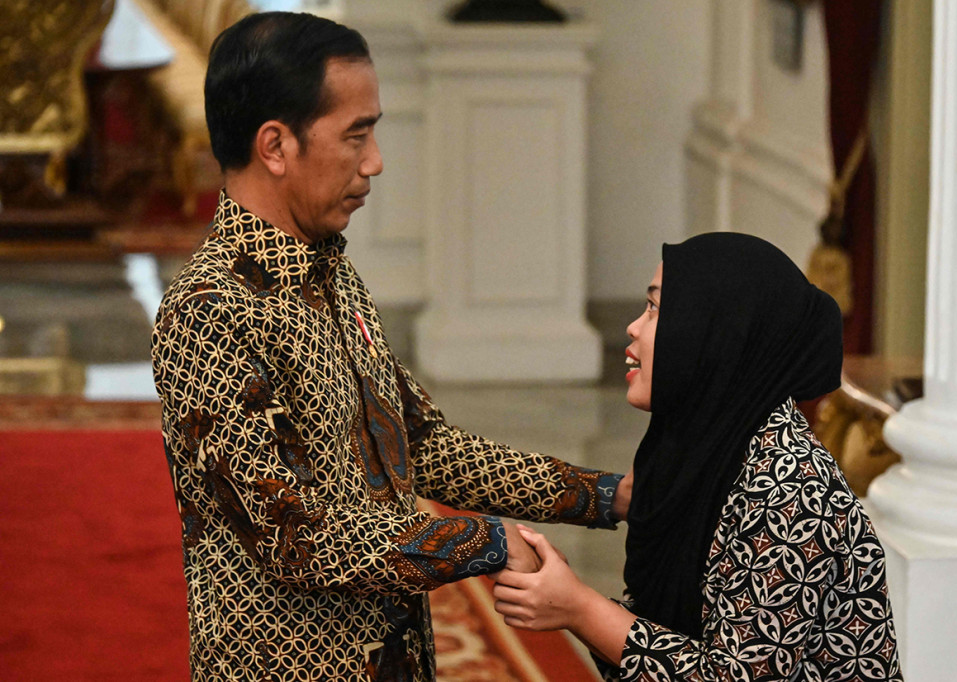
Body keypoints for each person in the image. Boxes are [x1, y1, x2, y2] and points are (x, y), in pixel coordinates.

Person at [151, 12, 628, 681]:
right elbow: (295, 538)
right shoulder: (210, 313)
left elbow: (420, 444)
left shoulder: (331, 272)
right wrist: (485, 542)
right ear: (275, 146)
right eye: (356, 134)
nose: (375, 161)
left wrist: (609, 496)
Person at [493, 233, 903, 681]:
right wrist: (561, 593)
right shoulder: (702, 447)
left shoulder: (791, 491)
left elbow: (732, 677)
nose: (633, 327)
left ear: (717, 334)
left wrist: (579, 609)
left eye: (656, 308)